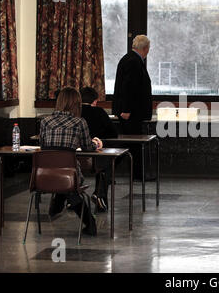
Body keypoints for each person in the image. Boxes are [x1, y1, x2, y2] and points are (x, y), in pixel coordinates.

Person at [40, 87, 103, 236]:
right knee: (70, 185)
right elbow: (88, 148)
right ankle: (90, 223)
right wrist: (96, 143)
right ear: (77, 104)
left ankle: (56, 206)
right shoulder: (79, 122)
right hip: (70, 174)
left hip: (44, 175)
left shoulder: (45, 122)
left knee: (62, 179)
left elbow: (43, 147)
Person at [113, 34, 152, 179]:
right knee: (131, 144)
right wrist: (126, 109)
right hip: (130, 113)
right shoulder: (133, 62)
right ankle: (109, 170)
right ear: (146, 48)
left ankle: (135, 173)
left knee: (131, 144)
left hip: (130, 112)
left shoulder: (129, 59)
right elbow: (128, 87)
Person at [80, 87, 118, 212]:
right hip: (95, 155)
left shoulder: (74, 112)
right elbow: (113, 133)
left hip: (74, 159)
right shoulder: (99, 112)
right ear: (95, 101)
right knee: (109, 160)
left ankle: (72, 198)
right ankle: (99, 193)